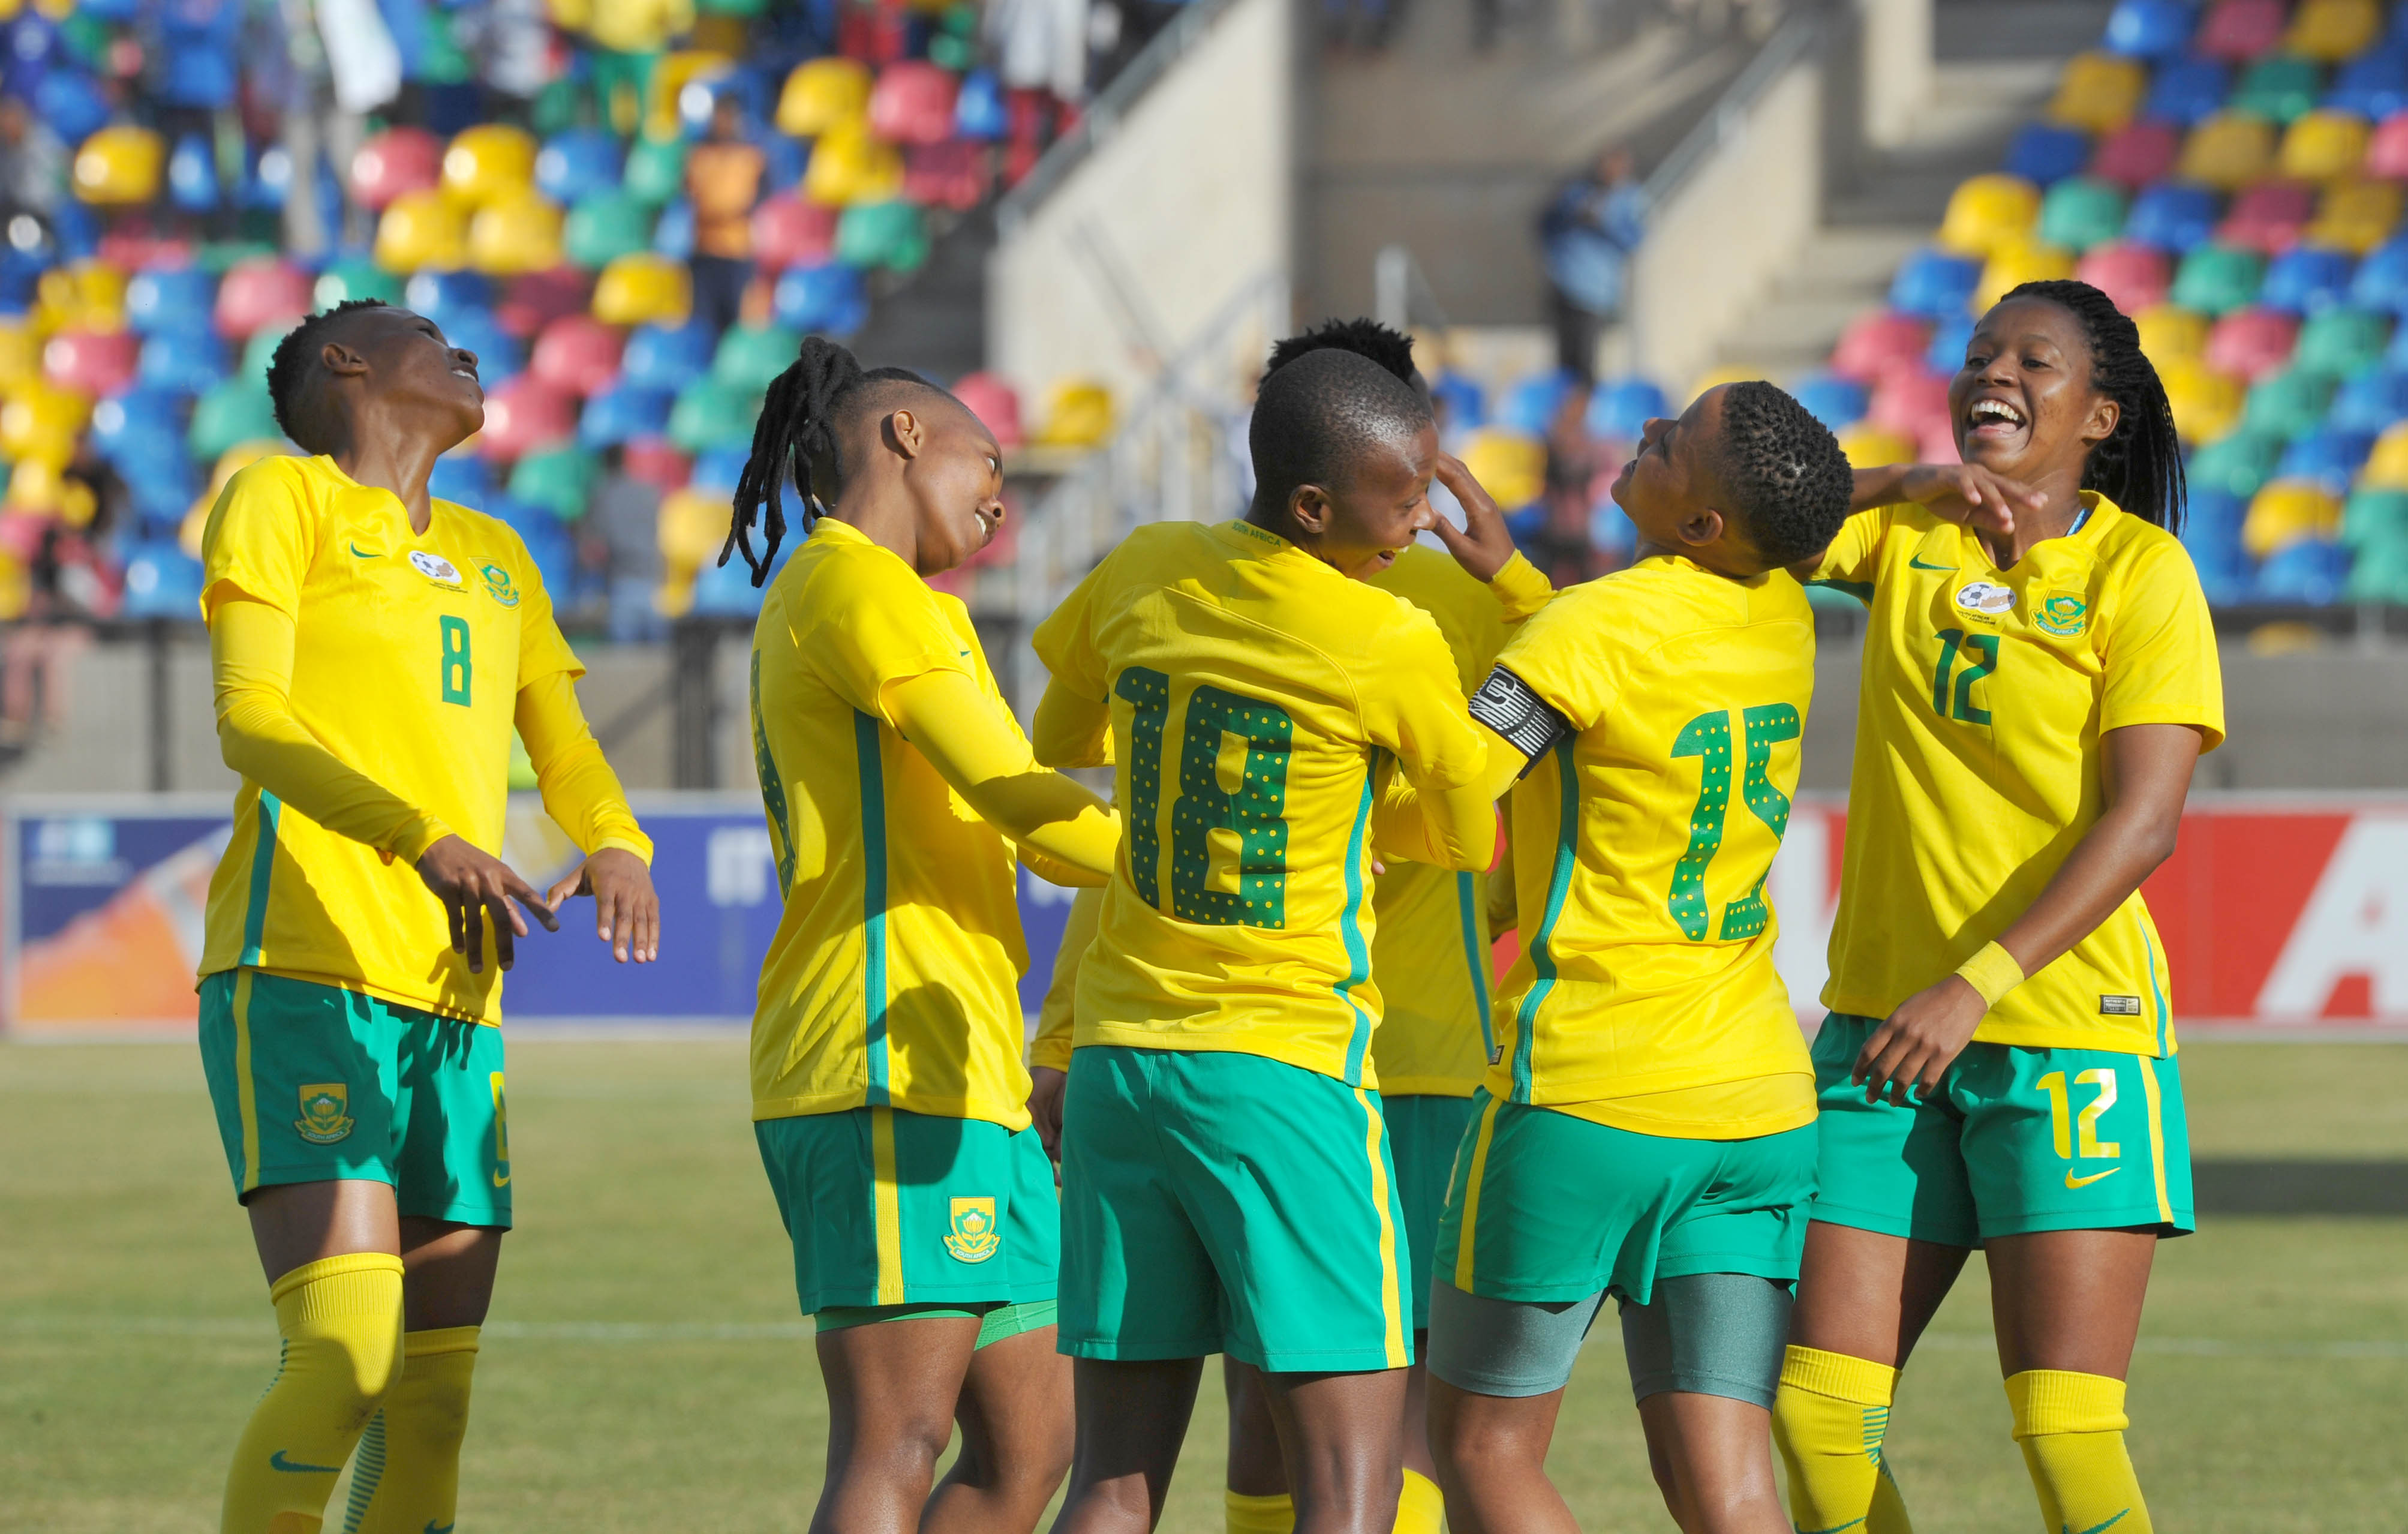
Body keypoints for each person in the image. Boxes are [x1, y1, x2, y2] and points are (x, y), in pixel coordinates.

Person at [199, 298, 660, 1534]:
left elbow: (562, 749)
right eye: (421, 330)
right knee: (346, 1354)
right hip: (303, 963)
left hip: (456, 998)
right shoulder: (280, 500)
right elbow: (250, 718)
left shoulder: (499, 551)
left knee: (433, 1400)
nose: (462, 348)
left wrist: (617, 841)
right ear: (348, 363)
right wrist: (423, 836)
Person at [1773, 279, 2220, 1534]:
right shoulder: (1910, 537)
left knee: (2065, 1437)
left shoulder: (2143, 574)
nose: (1994, 375)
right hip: (1881, 1038)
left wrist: (1976, 982)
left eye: (2033, 359)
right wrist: (1901, 483)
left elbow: (2144, 823)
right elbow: (1735, 519)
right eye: (1978, 356)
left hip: (2064, 1038)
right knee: (1810, 1420)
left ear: (2101, 416)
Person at [1029, 346, 1498, 1534]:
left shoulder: (1144, 565)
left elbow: (1063, 731)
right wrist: (1360, 809)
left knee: (1114, 1479)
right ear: (1313, 506)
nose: (1420, 518)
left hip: (1124, 1065)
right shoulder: (1389, 635)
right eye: (1403, 496)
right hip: (1286, 1068)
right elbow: (1467, 836)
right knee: (1350, 1483)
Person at [1418, 380, 1856, 1534]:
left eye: (1671, 443)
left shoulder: (1592, 628)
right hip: (1755, 1101)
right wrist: (1517, 587)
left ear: (1703, 523)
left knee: (1474, 1445)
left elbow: (1463, 778)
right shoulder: (1785, 613)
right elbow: (1616, 676)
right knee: (1730, 1482)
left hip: (1588, 1091)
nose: (1647, 433)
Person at [724, 335, 1122, 1534]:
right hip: (878, 1058)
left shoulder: (919, 609)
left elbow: (1043, 834)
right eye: (987, 460)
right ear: (903, 435)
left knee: (1038, 1442)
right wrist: (1224, 866)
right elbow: (1014, 788)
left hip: (971, 1076)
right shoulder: (848, 584)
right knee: (898, 1436)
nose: (1002, 494)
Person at [1191, 318, 1553, 1534]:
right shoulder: (1448, 603)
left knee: (1271, 1386)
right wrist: (1509, 580)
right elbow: (1573, 685)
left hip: (1274, 1046)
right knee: (1395, 1407)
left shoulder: (1198, 591)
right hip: (1413, 1051)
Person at [1538, 147, 1646, 388]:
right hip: (1563, 286)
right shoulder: (1576, 192)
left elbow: (1634, 240)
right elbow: (1545, 226)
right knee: (1563, 365)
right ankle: (1565, 417)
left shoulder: (1630, 198)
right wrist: (1570, 216)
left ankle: (1584, 415)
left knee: (1587, 364)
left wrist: (1602, 223)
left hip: (1595, 292)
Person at [686, 91, 765, 337]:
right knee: (707, 326)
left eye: (731, 115)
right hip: (704, 255)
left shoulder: (751, 158)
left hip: (741, 254)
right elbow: (693, 201)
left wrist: (715, 211)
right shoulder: (696, 157)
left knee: (742, 326)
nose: (726, 122)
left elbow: (745, 202)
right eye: (721, 115)